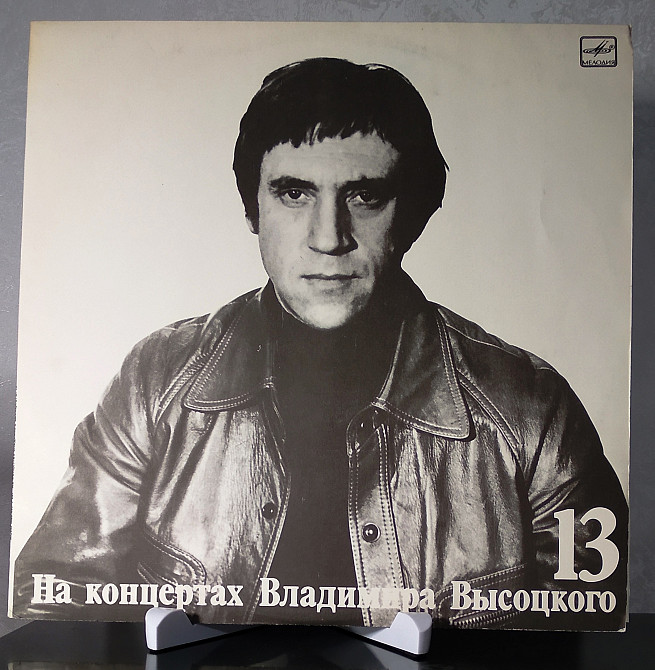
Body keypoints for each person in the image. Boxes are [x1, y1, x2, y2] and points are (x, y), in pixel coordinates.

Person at [12, 58, 627, 630]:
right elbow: (55, 601)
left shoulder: (531, 411)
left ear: (413, 213)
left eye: (365, 195)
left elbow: (592, 634)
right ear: (252, 209)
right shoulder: (157, 379)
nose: (328, 238)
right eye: (294, 193)